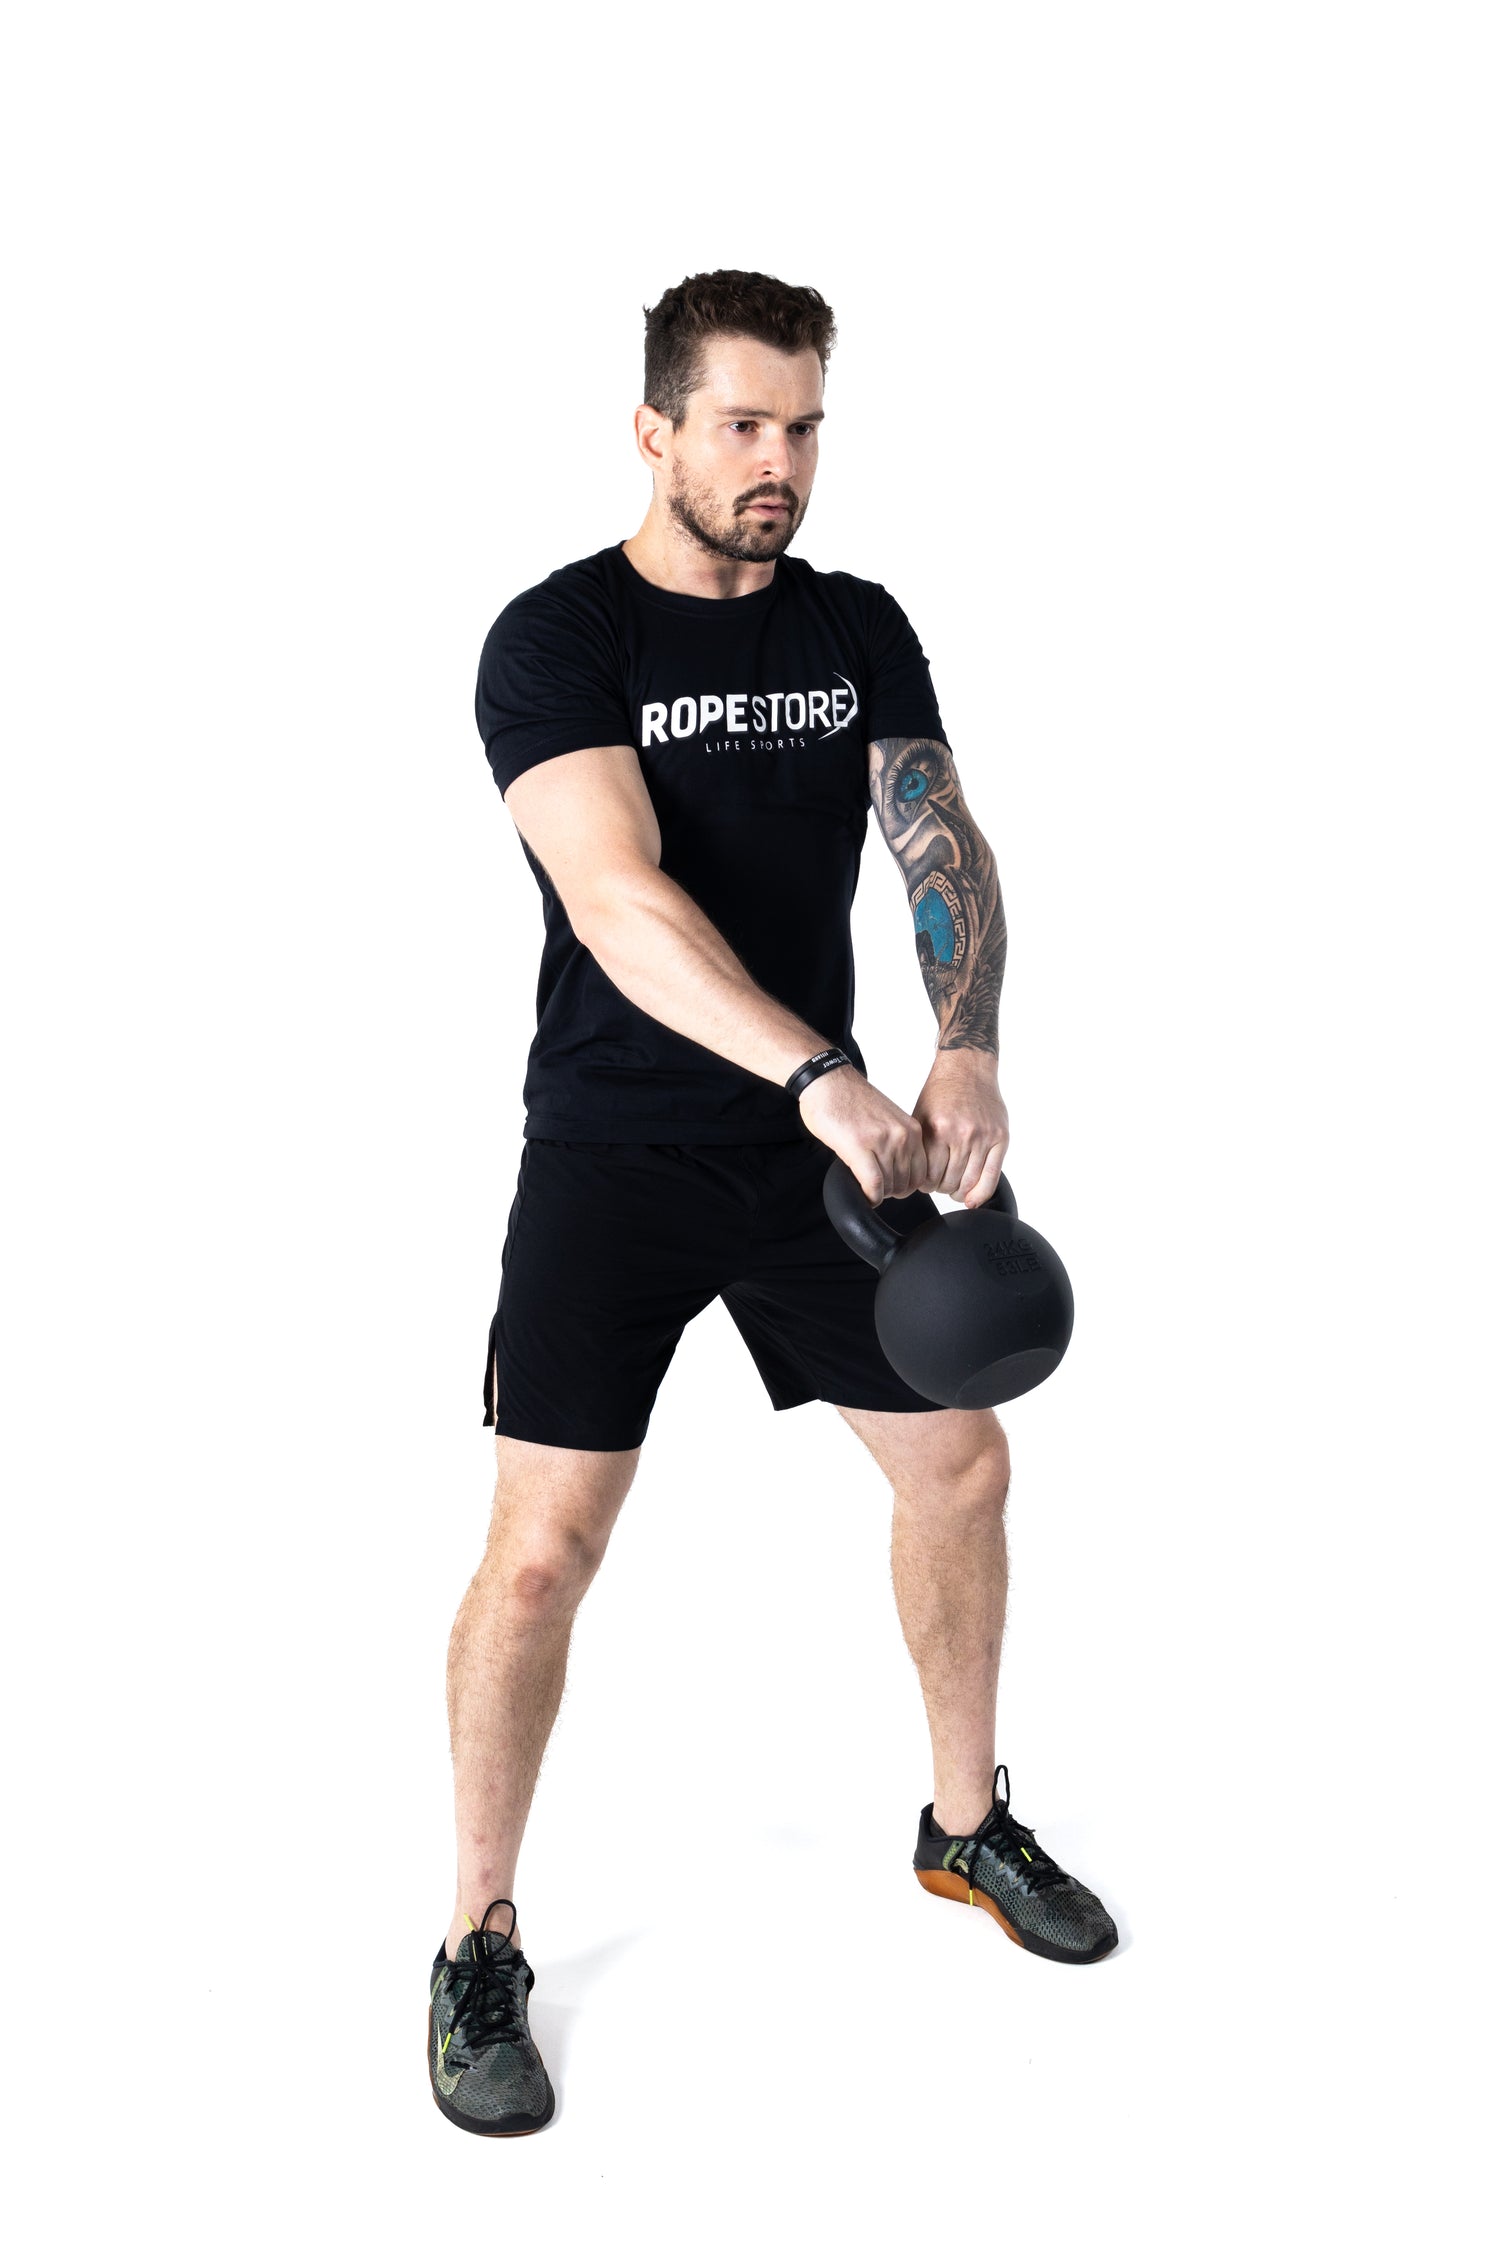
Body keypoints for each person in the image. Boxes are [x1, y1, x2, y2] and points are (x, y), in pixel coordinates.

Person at [427, 269, 1117, 2138]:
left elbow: (939, 836)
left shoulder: (854, 622)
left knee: (961, 1464)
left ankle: (962, 1827)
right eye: (741, 424)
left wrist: (963, 1043)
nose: (778, 463)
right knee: (542, 1553)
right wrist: (823, 1071)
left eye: (804, 426)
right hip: (614, 1151)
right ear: (653, 429)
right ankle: (479, 1936)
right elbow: (619, 903)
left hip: (822, 1160)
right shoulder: (558, 637)